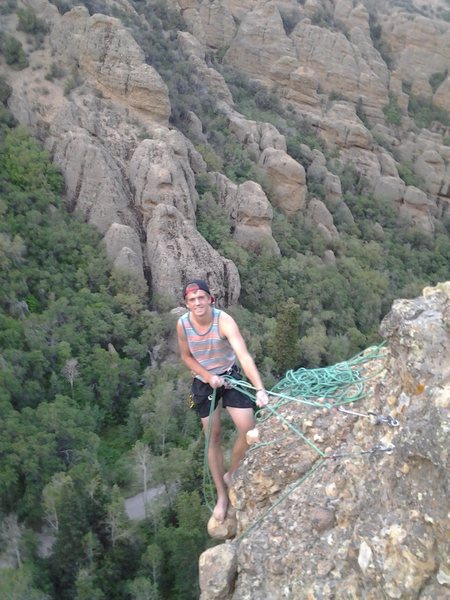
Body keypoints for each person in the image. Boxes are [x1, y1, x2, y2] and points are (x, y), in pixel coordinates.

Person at [177, 279, 269, 522]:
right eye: (192, 299)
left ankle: (232, 473)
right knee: (213, 437)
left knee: (248, 427)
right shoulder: (183, 325)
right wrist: (208, 376)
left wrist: (260, 388)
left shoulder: (224, 321)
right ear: (187, 304)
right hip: (202, 382)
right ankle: (221, 495)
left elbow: (243, 355)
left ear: (210, 299)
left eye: (201, 297)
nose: (197, 302)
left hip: (229, 376)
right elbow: (186, 357)